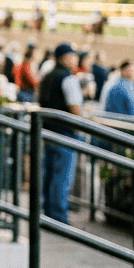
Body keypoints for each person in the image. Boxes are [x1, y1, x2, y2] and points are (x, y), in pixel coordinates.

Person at [38, 43, 85, 224]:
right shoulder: (68, 78)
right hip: (64, 133)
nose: (76, 59)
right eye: (73, 55)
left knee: (49, 175)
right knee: (62, 177)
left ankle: (47, 213)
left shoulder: (48, 76)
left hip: (48, 132)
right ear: (65, 57)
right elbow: (74, 107)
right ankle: (58, 217)